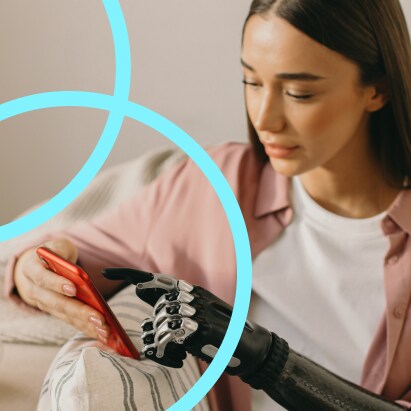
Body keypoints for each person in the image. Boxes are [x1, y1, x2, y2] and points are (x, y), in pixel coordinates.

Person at [5, 0, 411, 409]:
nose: (265, 118)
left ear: (377, 89)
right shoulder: (214, 185)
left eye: (298, 92)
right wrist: (32, 270)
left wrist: (265, 359)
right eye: (251, 82)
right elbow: (68, 253)